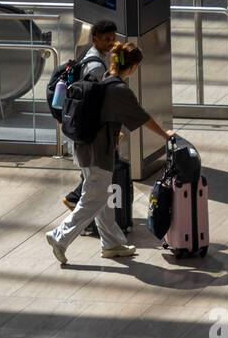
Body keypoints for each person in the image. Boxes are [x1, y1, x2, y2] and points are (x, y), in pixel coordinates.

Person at [46, 41, 175, 263]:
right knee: (93, 199)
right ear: (133, 67)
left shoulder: (103, 78)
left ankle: (112, 243)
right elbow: (142, 116)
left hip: (84, 147)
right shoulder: (119, 89)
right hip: (99, 151)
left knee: (100, 195)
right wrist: (165, 135)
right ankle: (60, 236)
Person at [61, 18, 118, 222]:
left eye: (113, 38)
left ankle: (76, 201)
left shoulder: (96, 56)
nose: (111, 42)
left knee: (91, 175)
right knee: (94, 176)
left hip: (84, 125)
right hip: (90, 128)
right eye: (106, 39)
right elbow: (99, 100)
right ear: (95, 38)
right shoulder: (96, 67)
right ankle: (75, 204)